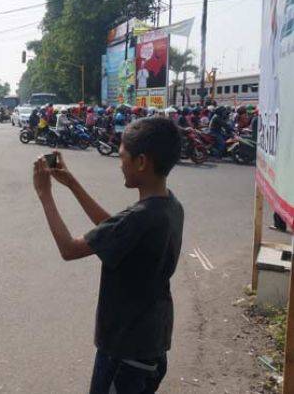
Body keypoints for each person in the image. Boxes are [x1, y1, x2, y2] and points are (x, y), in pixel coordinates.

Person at [32, 117, 184, 394]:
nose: (119, 162)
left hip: (126, 352)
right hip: (151, 341)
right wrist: (72, 184)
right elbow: (115, 230)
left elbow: (69, 249)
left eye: (122, 155)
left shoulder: (140, 218)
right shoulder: (169, 206)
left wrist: (45, 195)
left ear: (141, 162)